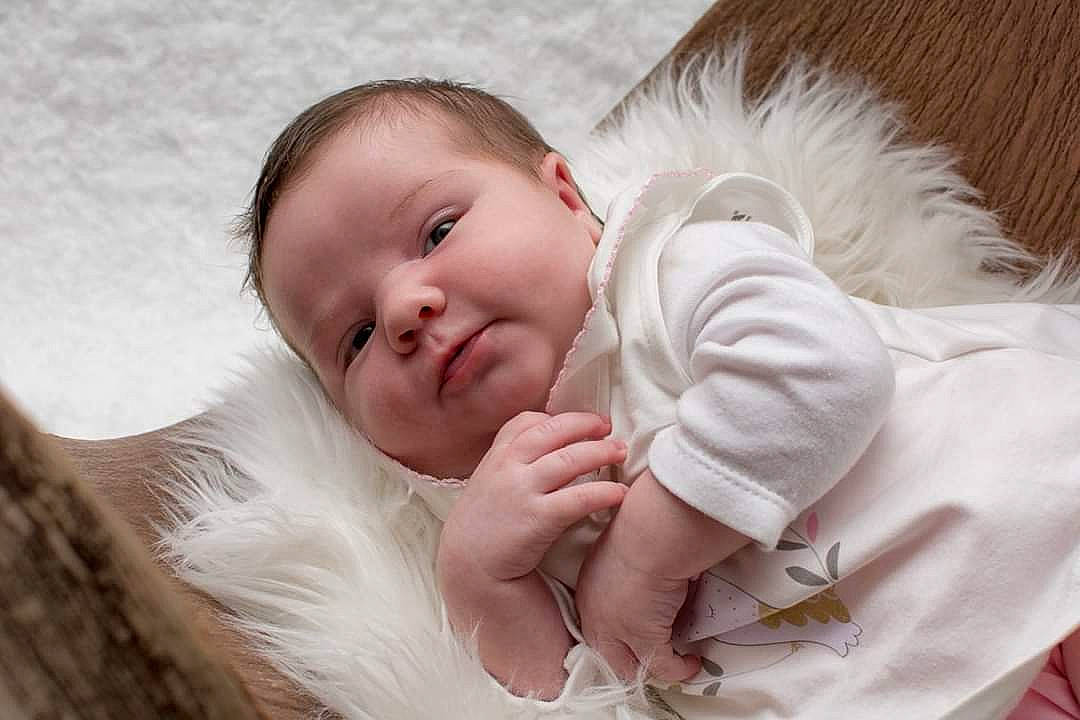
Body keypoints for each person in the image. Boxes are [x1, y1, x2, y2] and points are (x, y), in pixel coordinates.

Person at [242, 79, 1080, 718]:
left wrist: (644, 551)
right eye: (352, 338)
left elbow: (827, 370)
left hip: (1034, 535)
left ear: (568, 199)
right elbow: (591, 692)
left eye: (437, 232)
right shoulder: (485, 519)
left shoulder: (668, 272)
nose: (401, 310)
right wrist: (485, 583)